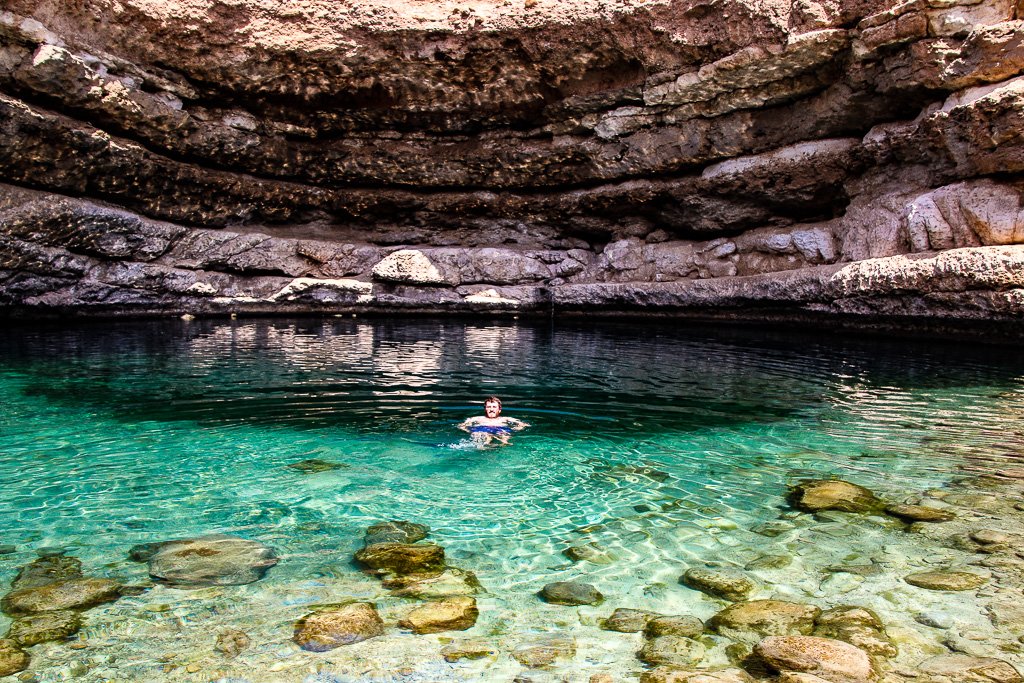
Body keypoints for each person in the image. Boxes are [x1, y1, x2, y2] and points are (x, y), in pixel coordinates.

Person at [458, 396, 529, 445]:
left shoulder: (505, 419)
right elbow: (461, 425)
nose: (491, 409)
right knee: (480, 435)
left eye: (494, 407)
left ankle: (503, 445)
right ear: (485, 409)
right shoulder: (477, 418)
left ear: (499, 409)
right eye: (489, 407)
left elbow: (523, 424)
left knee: (504, 436)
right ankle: (483, 447)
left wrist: (515, 429)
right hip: (482, 429)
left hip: (500, 429)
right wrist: (470, 431)